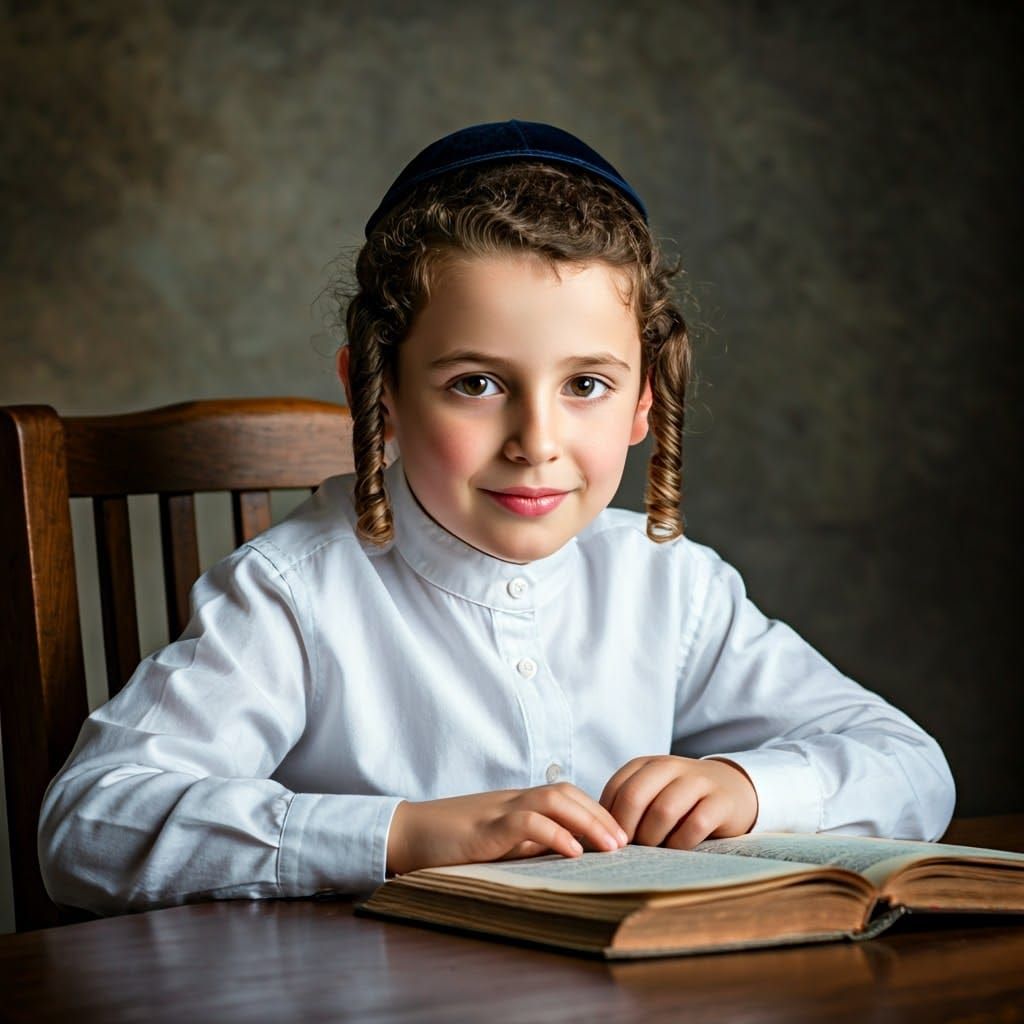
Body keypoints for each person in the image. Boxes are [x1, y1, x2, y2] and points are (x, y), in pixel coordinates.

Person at [39, 120, 955, 915]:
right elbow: (87, 826)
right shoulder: (294, 595)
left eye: (587, 385)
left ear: (645, 404)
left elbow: (912, 768)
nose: (536, 441)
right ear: (377, 391)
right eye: (476, 383)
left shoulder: (666, 582)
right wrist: (400, 834)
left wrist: (750, 788)